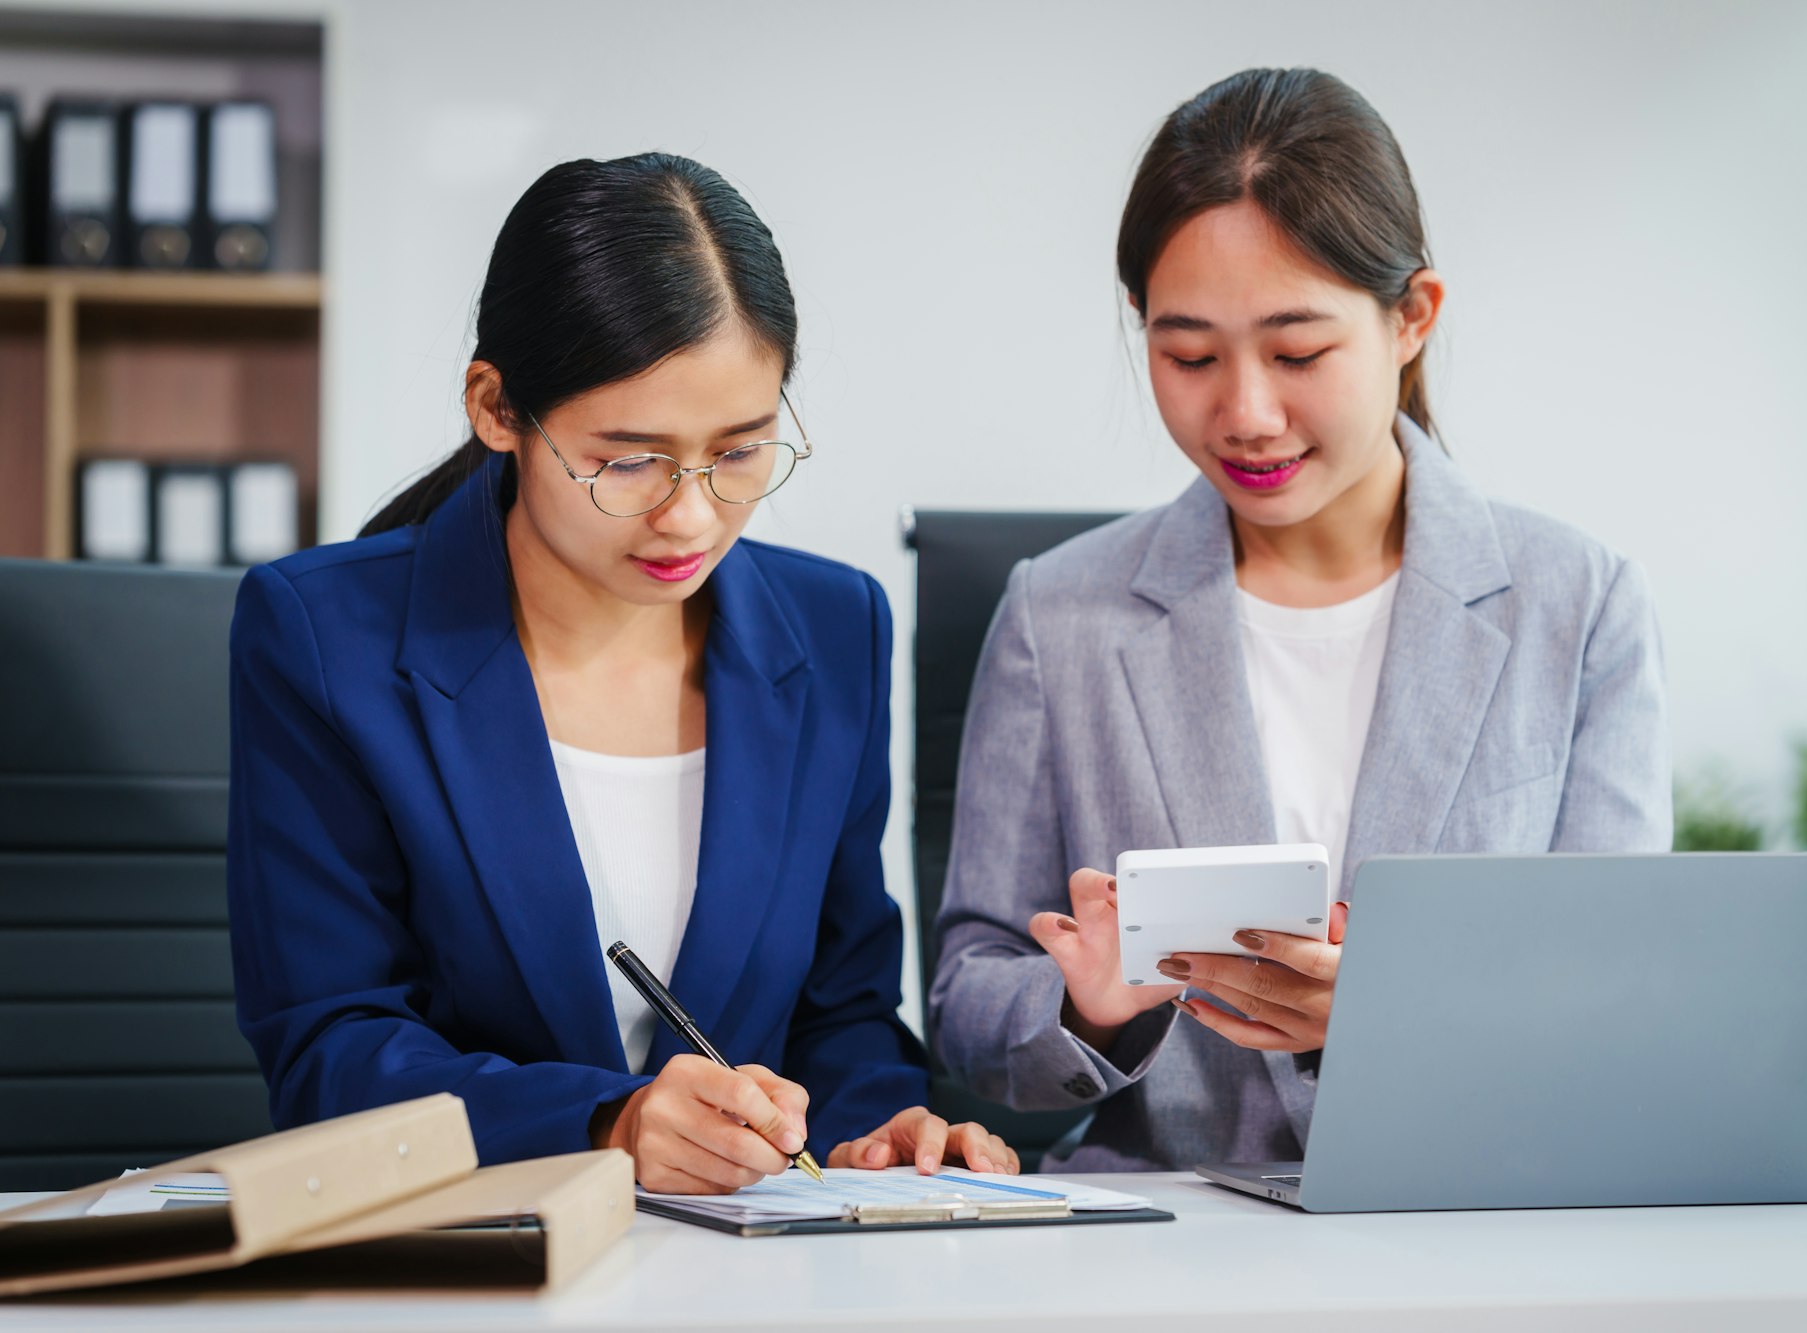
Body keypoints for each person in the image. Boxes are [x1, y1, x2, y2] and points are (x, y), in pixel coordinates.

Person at [228, 152, 1017, 1194]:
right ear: (498, 408)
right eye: (629, 460)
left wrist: (885, 1127)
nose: (690, 517)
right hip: (472, 1258)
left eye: (739, 452)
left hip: (750, 1274)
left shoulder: (832, 629)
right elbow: (328, 1051)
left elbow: (842, 1015)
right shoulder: (324, 635)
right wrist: (607, 1120)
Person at [929, 68, 1671, 1171]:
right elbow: (967, 1005)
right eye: (1187, 356)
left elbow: (1619, 1003)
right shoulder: (1058, 614)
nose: (1244, 413)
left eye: (1295, 352)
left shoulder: (1577, 603)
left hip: (1473, 1228)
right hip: (1158, 1243)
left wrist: (1383, 1020)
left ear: (1409, 318)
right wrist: (1086, 1007)